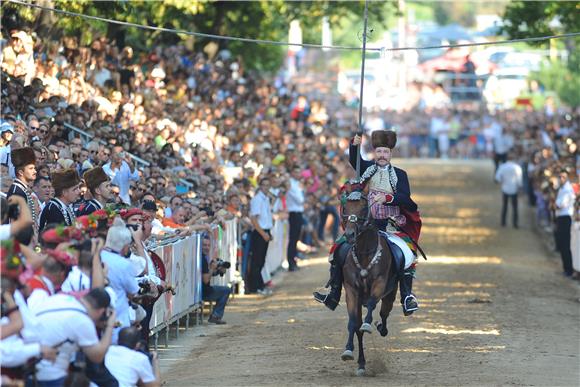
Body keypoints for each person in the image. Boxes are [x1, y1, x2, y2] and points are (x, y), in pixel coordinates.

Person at [314, 130, 421, 315]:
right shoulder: (367, 169)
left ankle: (407, 296)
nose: (381, 155)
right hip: (364, 225)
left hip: (391, 225)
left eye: (385, 152)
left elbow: (407, 200)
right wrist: (354, 144)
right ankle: (333, 293)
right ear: (374, 153)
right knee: (338, 250)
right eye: (379, 152)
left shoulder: (401, 175)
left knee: (407, 253)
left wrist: (387, 198)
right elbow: (354, 159)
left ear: (390, 154)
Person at [28, 288, 116, 387]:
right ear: (102, 312)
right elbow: (97, 356)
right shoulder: (82, 319)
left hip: (29, 368)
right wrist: (110, 325)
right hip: (50, 377)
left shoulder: (60, 298)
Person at [247, 176, 273, 295]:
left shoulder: (266, 199)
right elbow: (253, 219)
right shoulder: (257, 199)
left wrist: (268, 232)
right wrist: (263, 233)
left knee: (261, 260)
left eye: (268, 185)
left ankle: (259, 285)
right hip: (259, 232)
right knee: (257, 260)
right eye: (264, 185)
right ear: (260, 186)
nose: (266, 187)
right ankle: (254, 287)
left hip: (264, 231)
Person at [7, 147, 41, 230]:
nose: (35, 171)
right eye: (31, 168)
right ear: (21, 172)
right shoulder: (16, 191)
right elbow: (14, 223)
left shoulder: (22, 189)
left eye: (34, 168)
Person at [201, 235, 232, 324]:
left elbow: (206, 275)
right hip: (204, 292)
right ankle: (216, 315)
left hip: (202, 290)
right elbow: (206, 280)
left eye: (208, 245)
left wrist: (218, 271)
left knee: (224, 289)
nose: (206, 248)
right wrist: (212, 268)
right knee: (226, 290)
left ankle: (216, 315)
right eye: (204, 245)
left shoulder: (202, 257)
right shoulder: (202, 259)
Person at [554, 170, 576, 277]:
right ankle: (566, 269)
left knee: (565, 245)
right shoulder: (562, 188)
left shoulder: (567, 189)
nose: (561, 179)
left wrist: (554, 205)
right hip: (561, 217)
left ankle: (568, 270)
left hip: (565, 218)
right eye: (560, 176)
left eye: (563, 177)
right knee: (563, 245)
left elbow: (560, 204)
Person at [495, 152, 523, 228]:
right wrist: (520, 189)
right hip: (514, 189)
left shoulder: (503, 167)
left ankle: (503, 222)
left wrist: (502, 182)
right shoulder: (517, 167)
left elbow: (497, 178)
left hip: (505, 188)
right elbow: (519, 181)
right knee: (515, 207)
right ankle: (515, 223)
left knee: (505, 206)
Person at [286, 166, 305, 271]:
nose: (298, 174)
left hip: (298, 213)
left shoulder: (297, 184)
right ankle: (291, 263)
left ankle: (293, 260)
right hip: (294, 213)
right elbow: (300, 200)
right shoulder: (291, 184)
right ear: (292, 173)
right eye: (296, 172)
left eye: (299, 172)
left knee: (296, 238)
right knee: (293, 239)